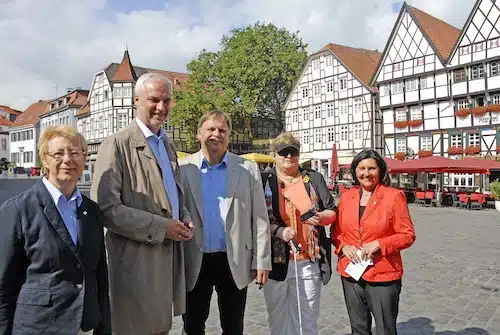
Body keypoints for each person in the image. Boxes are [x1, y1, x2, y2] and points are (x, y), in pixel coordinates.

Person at [91, 72, 193, 335]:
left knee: (161, 328)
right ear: (137, 100)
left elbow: (174, 196)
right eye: (154, 99)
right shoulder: (115, 145)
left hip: (167, 260)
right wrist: (163, 227)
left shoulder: (167, 145)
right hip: (135, 266)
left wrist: (184, 216)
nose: (161, 107)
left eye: (167, 100)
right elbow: (106, 210)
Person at [0, 125, 111, 334]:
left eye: (75, 153)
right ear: (45, 160)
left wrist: (104, 327)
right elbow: (3, 286)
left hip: (85, 325)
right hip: (39, 326)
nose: (68, 159)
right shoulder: (18, 210)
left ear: (84, 159)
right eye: (58, 153)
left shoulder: (92, 211)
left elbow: (99, 276)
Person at [179, 110, 271, 335]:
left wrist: (262, 260)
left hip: (234, 259)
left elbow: (259, 218)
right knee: (192, 326)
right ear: (198, 133)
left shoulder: (247, 169)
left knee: (233, 327)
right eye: (211, 129)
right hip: (195, 258)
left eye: (222, 130)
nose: (216, 134)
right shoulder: (182, 169)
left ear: (229, 136)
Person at [332, 149, 416, 335]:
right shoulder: (347, 197)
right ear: (355, 171)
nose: (366, 173)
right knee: (358, 328)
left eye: (372, 168)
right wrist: (344, 246)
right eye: (361, 168)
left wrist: (379, 244)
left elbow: (407, 234)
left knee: (385, 329)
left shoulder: (393, 196)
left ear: (381, 170)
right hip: (351, 273)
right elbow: (336, 231)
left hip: (382, 273)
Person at [260, 132, 337, 335]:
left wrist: (321, 217)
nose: (288, 156)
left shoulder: (312, 178)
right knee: (277, 319)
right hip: (275, 262)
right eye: (283, 152)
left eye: (293, 152)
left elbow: (332, 211)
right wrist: (278, 231)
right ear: (273, 155)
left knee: (307, 319)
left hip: (308, 262)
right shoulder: (263, 180)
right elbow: (255, 221)